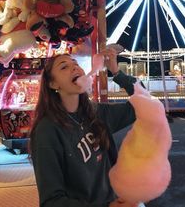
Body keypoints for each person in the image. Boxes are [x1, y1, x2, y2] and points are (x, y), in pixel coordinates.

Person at [30, 49, 144, 207]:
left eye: (75, 64)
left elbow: (143, 104)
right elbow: (51, 201)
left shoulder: (97, 113)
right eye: (64, 67)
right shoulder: (47, 131)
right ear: (53, 84)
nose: (75, 67)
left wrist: (116, 72)